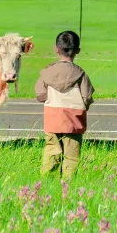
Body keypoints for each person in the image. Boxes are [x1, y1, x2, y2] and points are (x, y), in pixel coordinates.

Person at [35, 29, 93, 181]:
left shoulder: (47, 72)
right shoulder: (81, 74)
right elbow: (87, 97)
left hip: (52, 117)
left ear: (56, 49)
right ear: (77, 51)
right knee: (72, 156)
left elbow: (40, 94)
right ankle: (68, 185)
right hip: (74, 120)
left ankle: (47, 182)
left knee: (51, 151)